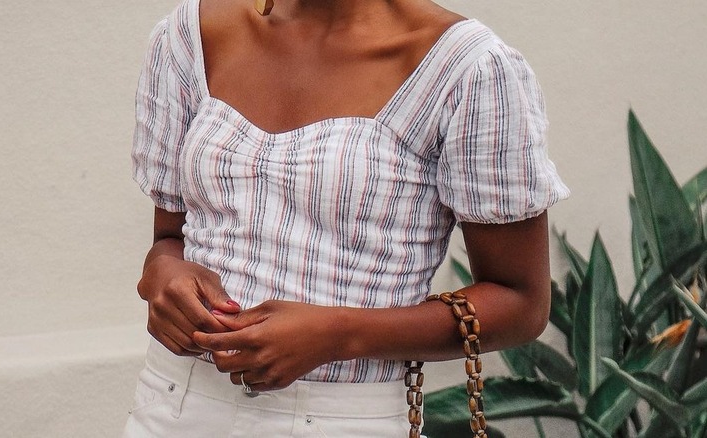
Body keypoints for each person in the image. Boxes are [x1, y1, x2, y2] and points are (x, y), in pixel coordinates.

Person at [123, 0, 570, 436]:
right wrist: (164, 273)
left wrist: (339, 334)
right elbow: (170, 237)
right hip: (173, 404)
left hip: (343, 419)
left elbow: (521, 303)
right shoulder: (193, 35)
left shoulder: (465, 70)